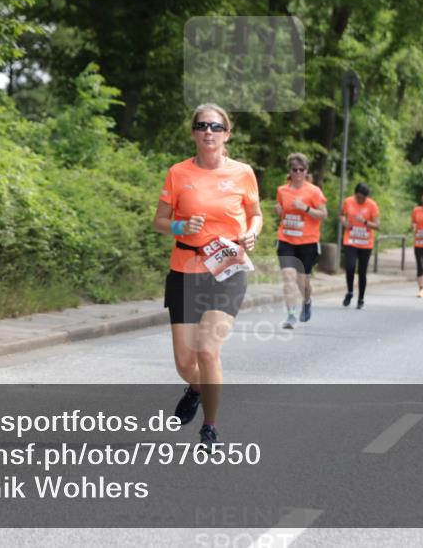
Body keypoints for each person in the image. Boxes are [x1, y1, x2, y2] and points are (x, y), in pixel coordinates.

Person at [153, 104, 262, 448]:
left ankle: (210, 427)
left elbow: (255, 214)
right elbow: (158, 221)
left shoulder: (243, 173)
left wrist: (253, 233)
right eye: (202, 126)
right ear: (193, 133)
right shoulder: (178, 173)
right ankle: (195, 387)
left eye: (216, 127)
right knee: (186, 363)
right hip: (185, 269)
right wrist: (180, 226)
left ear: (227, 133)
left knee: (207, 349)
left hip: (226, 269)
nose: (209, 132)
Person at [275, 152, 328, 329]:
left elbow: (323, 214)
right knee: (288, 276)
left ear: (306, 171)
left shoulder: (314, 191)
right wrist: (279, 211)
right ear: (290, 171)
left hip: (307, 242)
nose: (298, 173)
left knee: (302, 280)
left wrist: (305, 208)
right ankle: (290, 315)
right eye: (294, 169)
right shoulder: (282, 190)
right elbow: (282, 211)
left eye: (301, 169)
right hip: (286, 239)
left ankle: (307, 300)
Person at [340, 183, 380, 309]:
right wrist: (345, 223)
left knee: (362, 272)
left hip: (365, 243)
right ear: (355, 194)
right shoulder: (348, 202)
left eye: (363, 198)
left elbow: (377, 225)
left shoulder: (372, 205)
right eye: (358, 197)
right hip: (350, 240)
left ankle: (361, 298)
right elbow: (341, 215)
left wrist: (364, 221)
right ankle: (350, 291)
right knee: (350, 267)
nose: (360, 200)